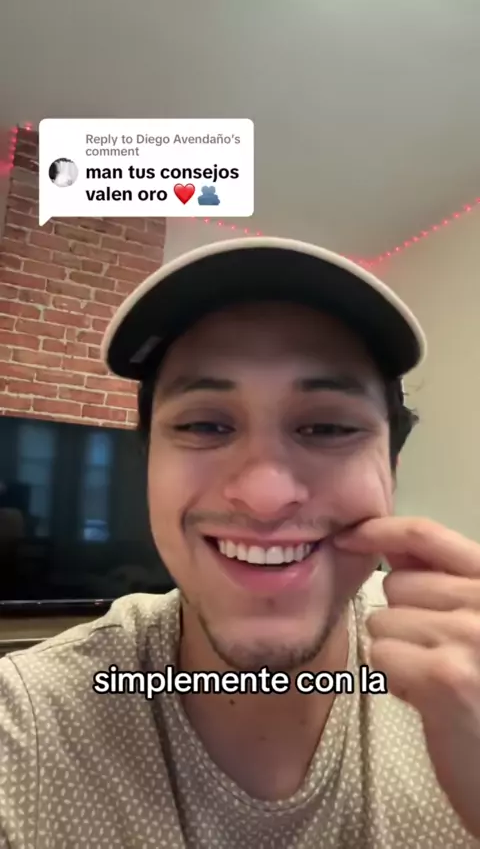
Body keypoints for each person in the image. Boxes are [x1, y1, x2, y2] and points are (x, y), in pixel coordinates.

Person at [0, 237, 479, 849]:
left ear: (392, 469)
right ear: (149, 466)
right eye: (205, 425)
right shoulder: (26, 727)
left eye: (328, 426)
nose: (265, 495)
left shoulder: (463, 688)